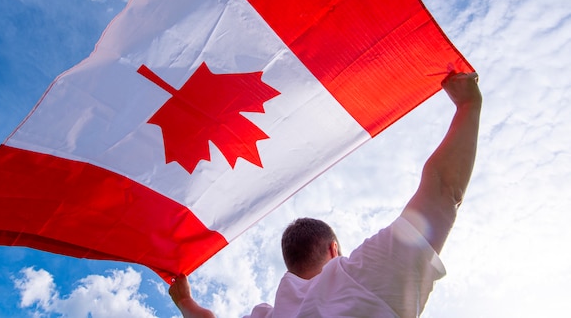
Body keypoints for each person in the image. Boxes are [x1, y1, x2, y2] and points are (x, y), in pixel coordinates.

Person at [169, 72, 482, 317]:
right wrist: (469, 105)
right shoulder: (359, 278)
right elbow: (443, 191)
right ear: (334, 250)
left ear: (291, 264)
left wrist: (185, 302)